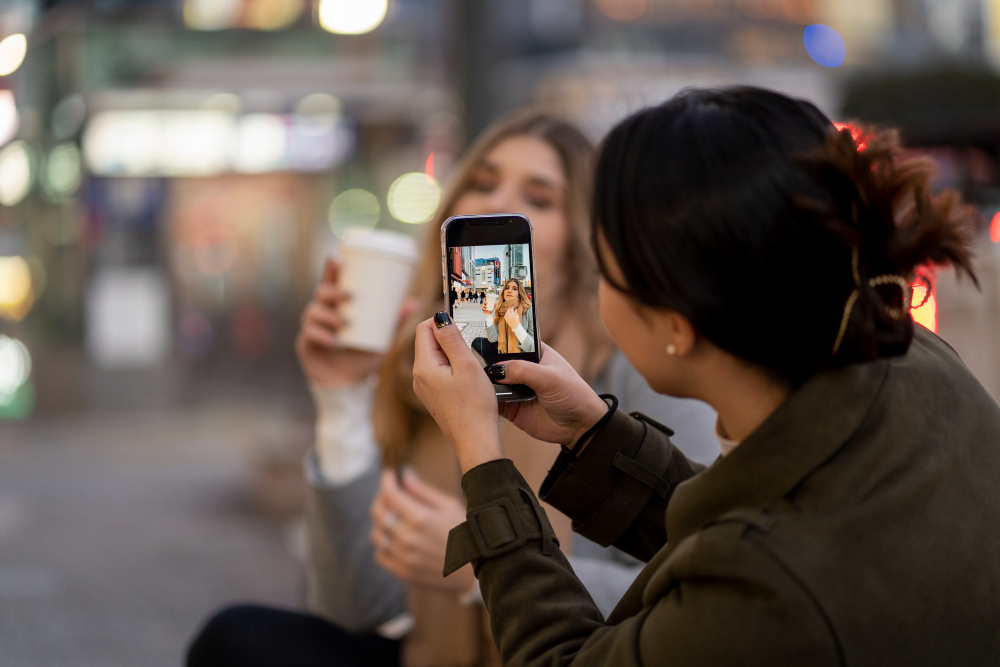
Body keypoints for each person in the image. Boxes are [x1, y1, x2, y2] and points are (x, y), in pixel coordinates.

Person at [408, 87, 1000, 665]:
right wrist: (593, 434)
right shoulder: (914, 361)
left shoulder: (770, 588)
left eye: (606, 271)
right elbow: (742, 516)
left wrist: (484, 460)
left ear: (676, 324)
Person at [186, 110, 718, 667]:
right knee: (236, 639)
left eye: (539, 198)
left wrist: (479, 558)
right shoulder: (419, 365)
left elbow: (685, 594)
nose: (495, 204)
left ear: (585, 237)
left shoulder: (632, 364)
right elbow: (355, 607)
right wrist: (342, 394)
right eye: (482, 184)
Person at [472, 278, 534, 356]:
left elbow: (533, 347)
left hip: (523, 356)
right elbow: (492, 338)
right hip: (502, 352)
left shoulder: (528, 309)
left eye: (514, 289)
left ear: (519, 293)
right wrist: (488, 315)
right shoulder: (499, 309)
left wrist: (516, 327)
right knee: (477, 343)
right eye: (507, 288)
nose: (509, 291)